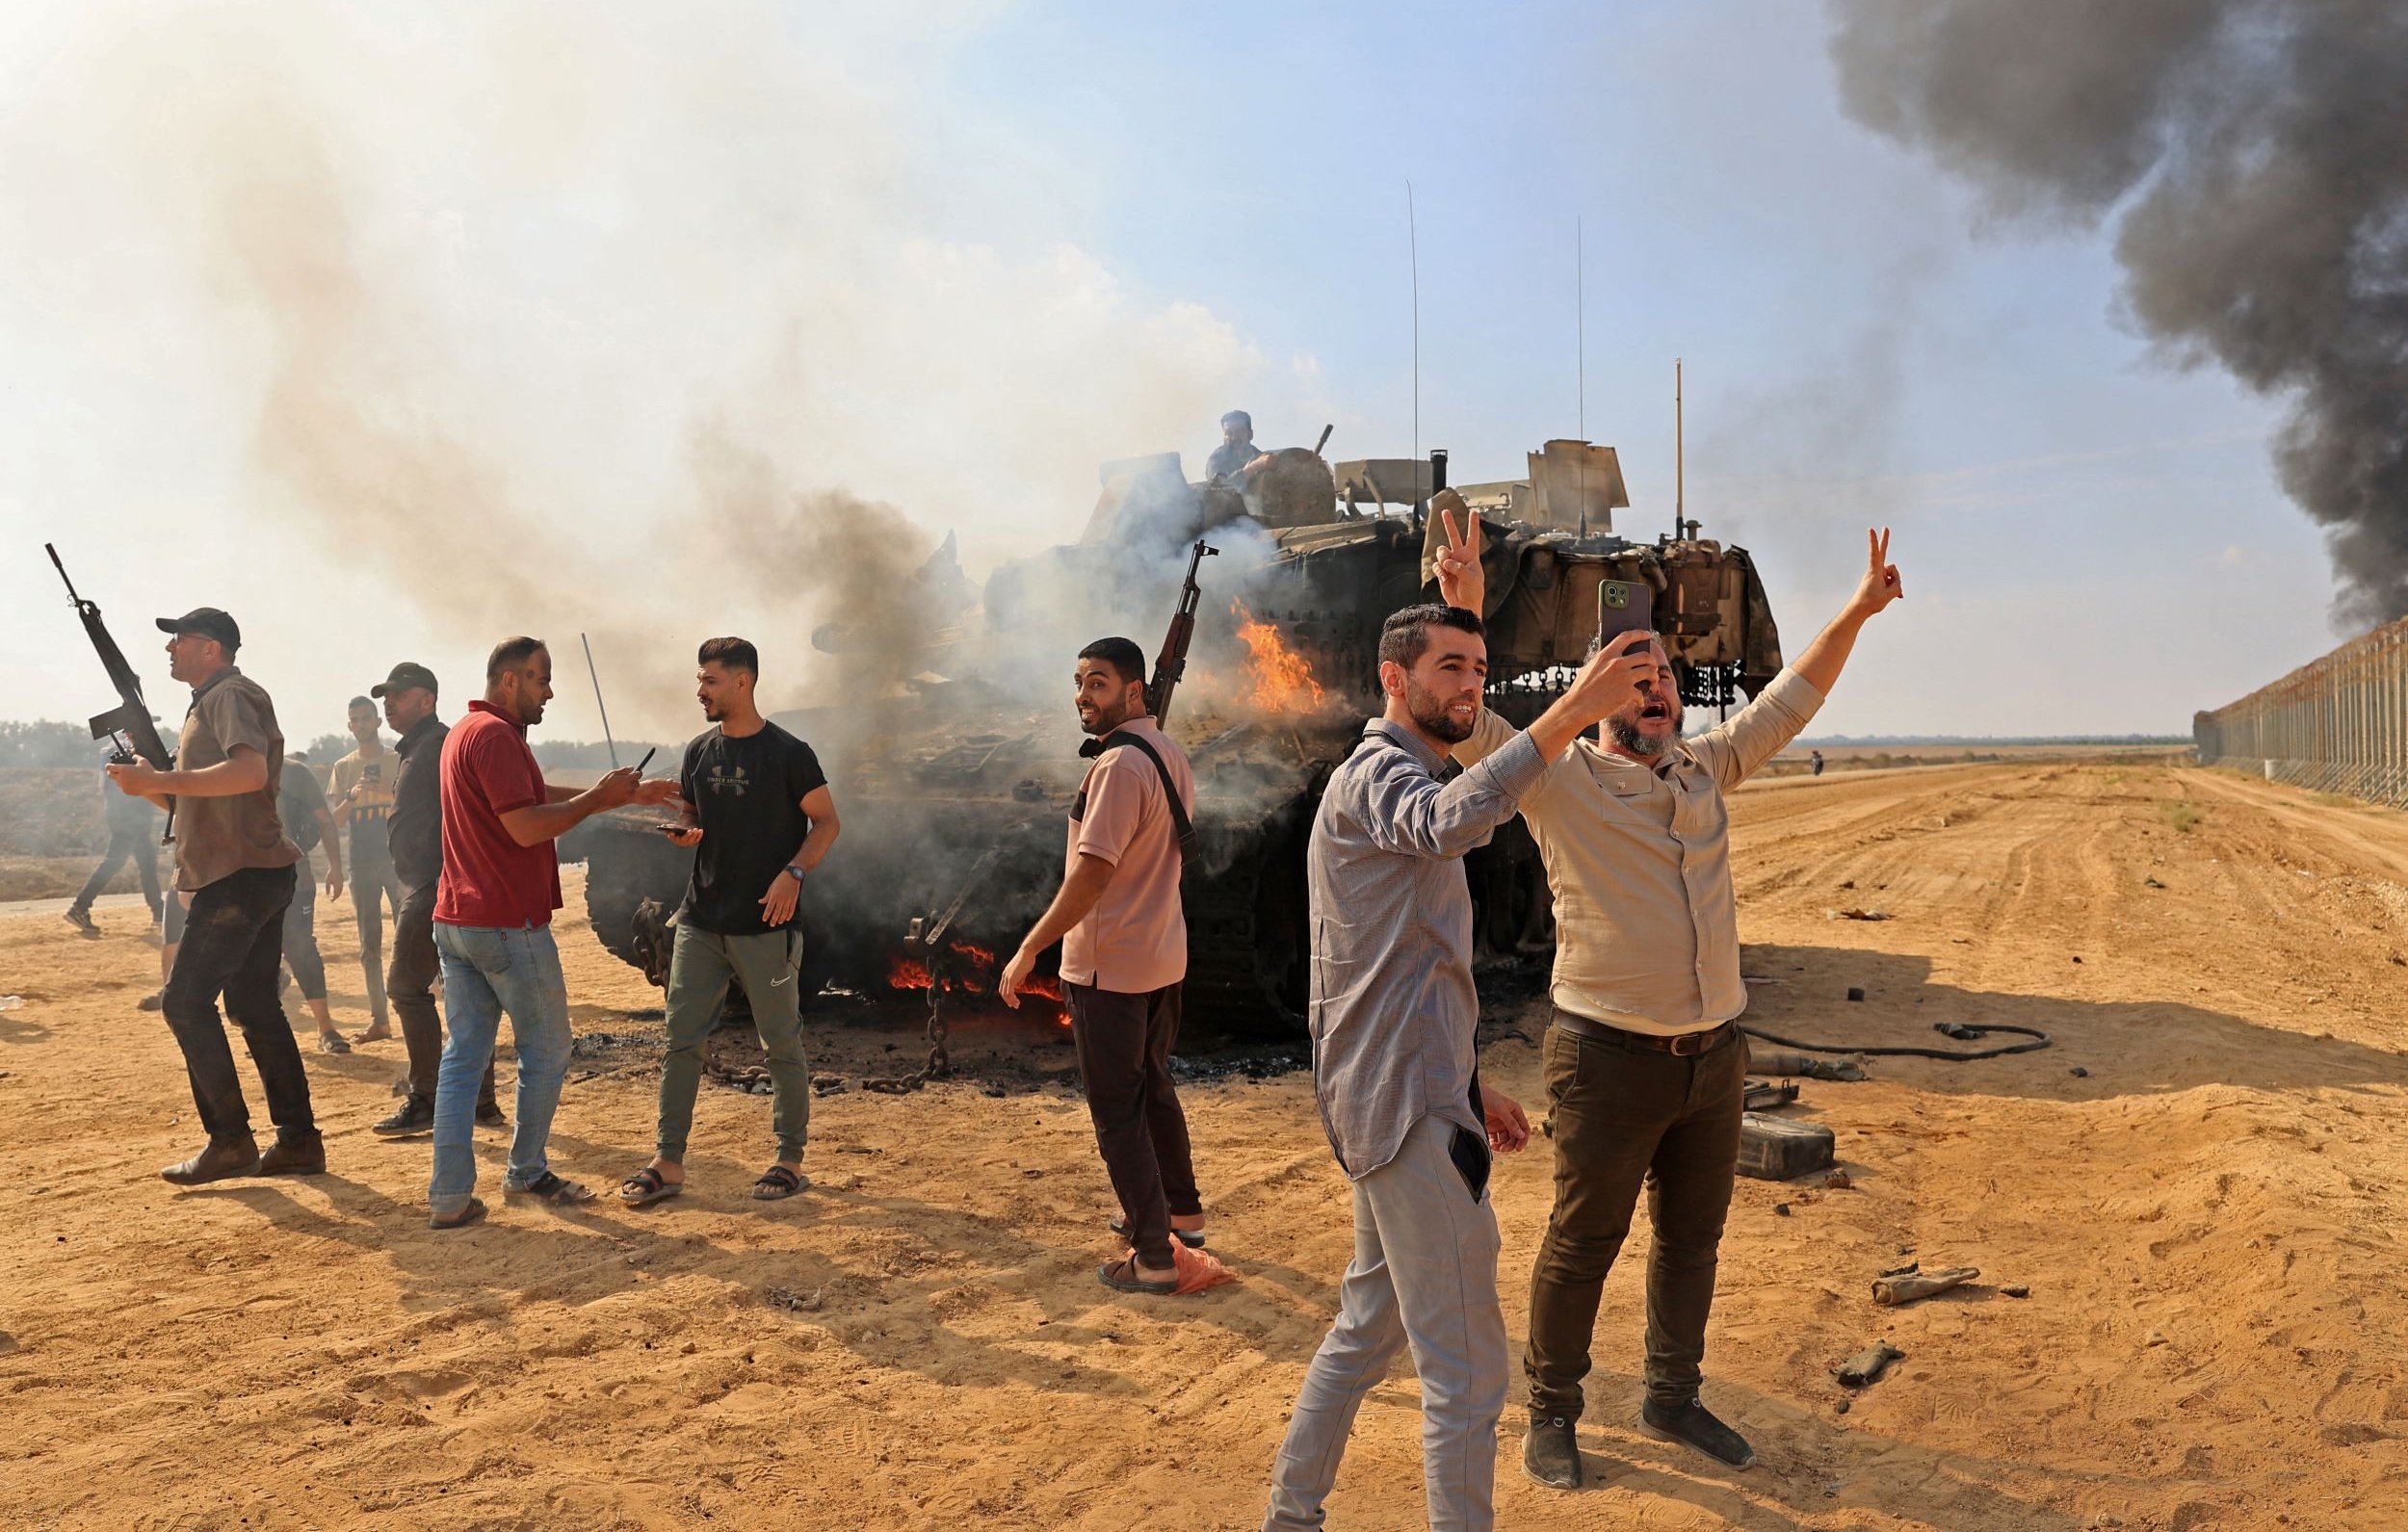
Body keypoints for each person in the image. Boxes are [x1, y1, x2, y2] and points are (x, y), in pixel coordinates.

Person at [1438, 520, 1904, 1488]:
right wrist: (1466, 604)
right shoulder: (1557, 780)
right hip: (1607, 1059)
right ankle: (1554, 1411)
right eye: (1630, 674)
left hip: (1713, 1057)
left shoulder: (1706, 767)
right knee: (1581, 1243)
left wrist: (1856, 612)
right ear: (1595, 692)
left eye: (1663, 677)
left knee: (1692, 1241)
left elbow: (1794, 700)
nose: (1655, 689)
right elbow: (1473, 722)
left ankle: (1672, 1394)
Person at [1262, 594, 1656, 1532]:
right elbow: (1447, 821)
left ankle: (1289, 1515)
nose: (1469, 686)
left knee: (1365, 1330)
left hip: (1407, 1090)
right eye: (1449, 667)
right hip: (1403, 1111)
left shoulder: (1400, 774)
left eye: (1478, 671)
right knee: (1469, 1373)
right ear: (1392, 678)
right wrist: (1570, 710)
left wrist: (1467, 1079)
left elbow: (1388, 966)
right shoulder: (1375, 778)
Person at [426, 636, 673, 1230]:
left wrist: (622, 796)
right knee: (548, 1049)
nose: (549, 691)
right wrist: (599, 798)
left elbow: (529, 798)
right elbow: (526, 827)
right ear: (508, 680)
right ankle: (528, 1171)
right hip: (507, 922)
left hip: (456, 920)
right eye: (541, 679)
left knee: (463, 1058)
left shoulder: (467, 731)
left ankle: (450, 1197)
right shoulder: (497, 736)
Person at [996, 636, 1200, 1293]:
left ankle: (1154, 1256)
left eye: (1100, 683)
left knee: (1117, 1111)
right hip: (1162, 957)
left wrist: (1032, 945)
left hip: (1110, 967)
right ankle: (1183, 1216)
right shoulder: (1167, 753)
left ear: (1135, 691)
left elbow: (1093, 873)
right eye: (1080, 682)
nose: (1084, 695)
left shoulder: (1117, 766)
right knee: (1154, 1089)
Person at [618, 638, 839, 1208]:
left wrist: (793, 873)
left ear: (743, 682)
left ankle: (789, 1159)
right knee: (680, 1041)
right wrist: (685, 833)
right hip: (700, 920)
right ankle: (668, 1162)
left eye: (709, 681)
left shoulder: (790, 753)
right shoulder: (698, 751)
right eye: (700, 681)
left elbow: (827, 823)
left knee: (781, 1044)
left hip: (766, 924)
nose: (700, 692)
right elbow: (694, 817)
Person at [109, 607, 324, 1185]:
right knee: (253, 1006)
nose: (169, 649)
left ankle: (230, 1141)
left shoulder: (228, 695)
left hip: (239, 876)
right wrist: (150, 783)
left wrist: (158, 779)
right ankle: (299, 1141)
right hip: (250, 872)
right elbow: (195, 803)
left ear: (211, 647)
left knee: (184, 1003)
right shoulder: (206, 705)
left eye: (178, 640)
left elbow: (249, 773)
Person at [366, 662, 501, 1137]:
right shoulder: (417, 748)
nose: (388, 705)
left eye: (398, 696)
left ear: (427, 700)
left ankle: (426, 1096)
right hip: (430, 884)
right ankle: (480, 1101)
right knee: (465, 996)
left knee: (406, 988)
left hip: (434, 885)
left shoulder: (438, 744)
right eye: (386, 697)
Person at [331, 696, 406, 1040]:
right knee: (369, 945)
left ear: (378, 722)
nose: (361, 724)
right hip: (361, 864)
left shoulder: (397, 759)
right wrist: (352, 795)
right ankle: (380, 1020)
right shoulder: (343, 767)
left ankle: (418, 1011)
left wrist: (388, 795)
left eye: (366, 718)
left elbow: (412, 810)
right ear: (349, 726)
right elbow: (333, 822)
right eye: (355, 720)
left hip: (396, 859)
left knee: (409, 938)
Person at [275, 749, 350, 1054]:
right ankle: (267, 1031)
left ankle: (326, 1029)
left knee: (302, 949)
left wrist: (336, 865)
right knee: (259, 955)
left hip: (295, 877)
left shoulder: (295, 772)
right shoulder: (229, 770)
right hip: (246, 881)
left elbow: (325, 820)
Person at [65, 739, 163, 938]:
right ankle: (79, 907)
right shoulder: (133, 747)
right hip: (132, 813)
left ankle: (159, 914)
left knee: (146, 862)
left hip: (122, 812)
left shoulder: (110, 747)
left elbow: (103, 785)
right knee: (115, 861)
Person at [1205, 409, 1271, 488]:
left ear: (1250, 434)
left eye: (1239, 431)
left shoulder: (1261, 458)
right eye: (1229, 433)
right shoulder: (1217, 459)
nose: (1234, 437)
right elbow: (1218, 489)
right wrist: (1252, 468)